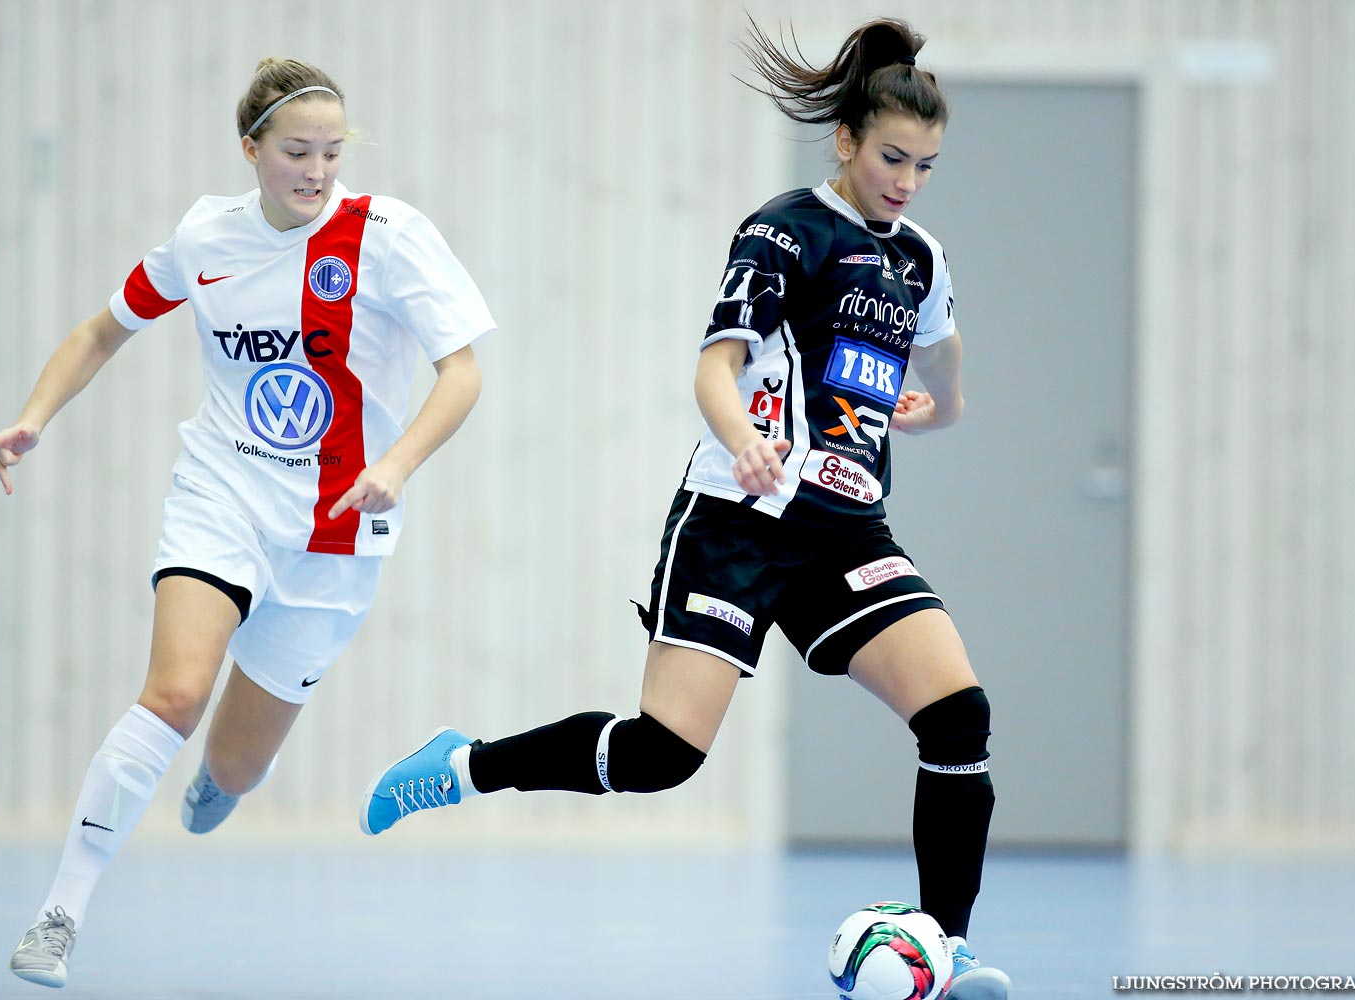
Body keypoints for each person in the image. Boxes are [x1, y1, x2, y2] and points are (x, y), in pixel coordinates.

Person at [360, 16, 1010, 999]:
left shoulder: (917, 256)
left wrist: (935, 410)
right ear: (843, 139)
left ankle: (946, 948)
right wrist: (746, 441)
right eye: (890, 157)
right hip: (735, 524)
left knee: (957, 714)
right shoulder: (783, 229)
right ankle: (467, 765)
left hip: (845, 531)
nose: (906, 181)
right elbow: (715, 368)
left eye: (924, 165)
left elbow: (944, 364)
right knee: (662, 754)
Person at [0, 57, 495, 989]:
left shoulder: (387, 237)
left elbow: (462, 372)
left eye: (333, 153)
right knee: (174, 695)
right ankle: (60, 913)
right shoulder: (204, 237)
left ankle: (221, 778)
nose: (317, 171)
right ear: (250, 149)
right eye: (297, 151)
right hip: (223, 496)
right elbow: (104, 329)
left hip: (337, 533)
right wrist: (34, 416)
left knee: (237, 767)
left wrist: (395, 464)